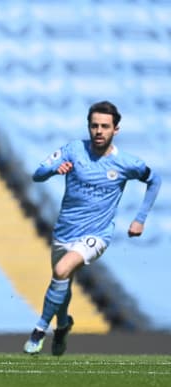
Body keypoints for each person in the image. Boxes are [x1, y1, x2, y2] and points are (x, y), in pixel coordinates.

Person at [23, 101, 162, 356]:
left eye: (105, 126)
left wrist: (140, 218)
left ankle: (39, 329)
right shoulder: (74, 150)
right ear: (89, 127)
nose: (99, 131)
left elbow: (155, 180)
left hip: (96, 235)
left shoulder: (127, 163)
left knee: (62, 269)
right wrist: (55, 170)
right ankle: (63, 325)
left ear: (116, 130)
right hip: (64, 231)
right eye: (94, 125)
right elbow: (38, 174)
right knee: (62, 281)